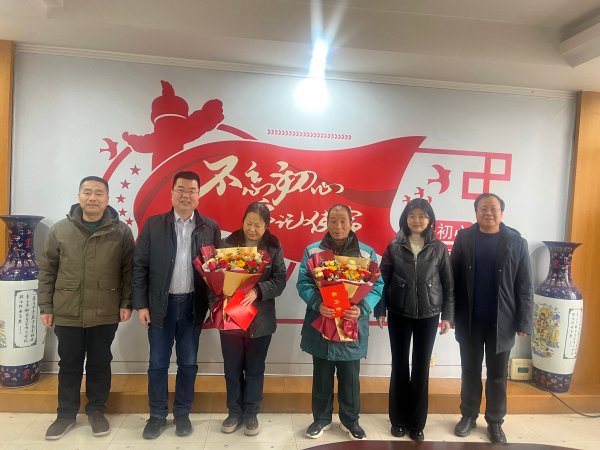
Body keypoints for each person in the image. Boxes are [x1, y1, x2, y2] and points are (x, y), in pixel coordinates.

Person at [38, 176, 134, 440]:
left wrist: (126, 302)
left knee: (100, 363)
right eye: (88, 192)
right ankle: (65, 415)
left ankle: (96, 411)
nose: (93, 198)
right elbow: (47, 271)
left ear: (107, 198)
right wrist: (46, 306)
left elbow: (129, 271)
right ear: (79, 196)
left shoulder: (121, 231)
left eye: (99, 193)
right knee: (69, 364)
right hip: (67, 310)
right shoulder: (60, 230)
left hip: (105, 310)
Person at [132, 171, 221, 439]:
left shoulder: (210, 228)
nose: (186, 195)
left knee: (189, 363)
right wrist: (141, 305)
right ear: (171, 193)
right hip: (161, 306)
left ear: (199, 195)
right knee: (157, 363)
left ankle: (182, 413)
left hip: (193, 305)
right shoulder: (153, 225)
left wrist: (215, 305)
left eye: (192, 190)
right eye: (181, 189)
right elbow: (140, 266)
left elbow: (218, 271)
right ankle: (157, 415)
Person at [451, 193, 533, 444]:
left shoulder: (517, 242)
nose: (488, 212)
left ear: (502, 213)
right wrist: (450, 314)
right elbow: (452, 278)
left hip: (502, 322)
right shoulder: (464, 238)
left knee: (498, 375)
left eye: (493, 208)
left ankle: (495, 421)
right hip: (470, 319)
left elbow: (524, 285)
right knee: (470, 371)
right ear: (475, 212)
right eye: (483, 208)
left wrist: (523, 321)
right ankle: (468, 416)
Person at [296, 204, 383, 441]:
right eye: (333, 221)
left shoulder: (366, 254)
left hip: (351, 325)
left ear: (352, 223)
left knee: (350, 378)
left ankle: (351, 421)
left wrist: (362, 308)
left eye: (343, 220)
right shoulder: (313, 251)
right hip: (322, 322)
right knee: (321, 375)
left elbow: (377, 285)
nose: (338, 226)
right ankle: (321, 419)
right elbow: (303, 283)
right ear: (326, 223)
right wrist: (317, 303)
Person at [374, 198, 454, 441]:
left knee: (421, 367)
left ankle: (417, 423)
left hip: (429, 314)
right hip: (399, 311)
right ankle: (398, 420)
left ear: (430, 219)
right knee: (399, 365)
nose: (416, 220)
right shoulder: (394, 246)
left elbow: (448, 284)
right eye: (412, 215)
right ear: (405, 219)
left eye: (422, 215)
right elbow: (381, 280)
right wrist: (380, 310)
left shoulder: (439, 248)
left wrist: (447, 316)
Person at [218, 202, 287, 436]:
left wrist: (258, 290)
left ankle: (251, 413)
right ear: (242, 222)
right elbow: (214, 276)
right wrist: (221, 297)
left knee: (255, 368)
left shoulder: (273, 247)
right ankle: (234, 412)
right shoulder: (227, 244)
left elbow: (280, 280)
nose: (252, 229)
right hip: (231, 317)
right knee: (232, 367)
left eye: (258, 225)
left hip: (260, 320)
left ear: (266, 226)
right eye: (249, 223)